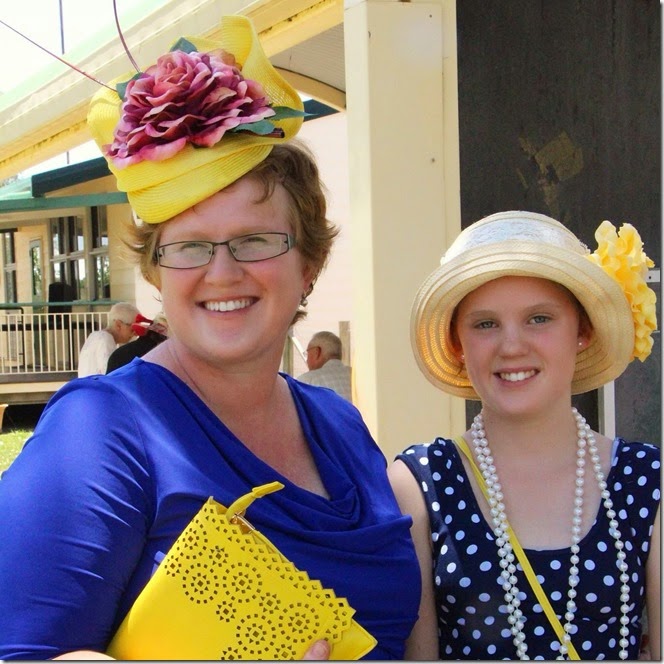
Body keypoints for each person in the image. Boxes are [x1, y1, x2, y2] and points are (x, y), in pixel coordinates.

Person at [0, 15, 420, 661]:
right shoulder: (104, 431)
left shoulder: (341, 426)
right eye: (190, 245)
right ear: (156, 272)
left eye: (255, 240)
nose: (222, 272)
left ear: (308, 265)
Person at [388, 210, 660, 660]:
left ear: (583, 331)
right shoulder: (419, 484)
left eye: (539, 318)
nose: (512, 345)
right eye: (485, 324)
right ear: (457, 344)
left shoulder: (646, 479)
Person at [77, 301, 140, 377]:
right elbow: (110, 373)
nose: (135, 334)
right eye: (133, 329)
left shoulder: (95, 336)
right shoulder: (106, 340)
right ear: (118, 325)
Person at [298, 331, 352, 401]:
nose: (307, 360)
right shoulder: (355, 375)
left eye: (307, 354)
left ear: (317, 352)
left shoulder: (307, 380)